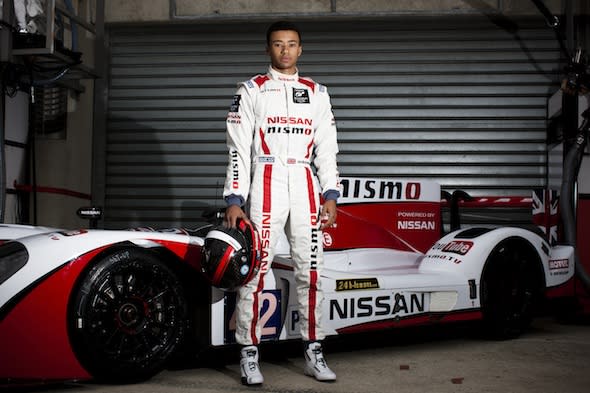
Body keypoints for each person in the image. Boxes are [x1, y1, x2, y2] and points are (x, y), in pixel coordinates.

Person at [222, 20, 340, 385]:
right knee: (256, 270)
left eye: (291, 44)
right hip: (266, 181)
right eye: (278, 44)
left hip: (304, 183)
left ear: (300, 49)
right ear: (268, 49)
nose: (285, 50)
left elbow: (328, 149)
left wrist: (331, 193)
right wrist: (235, 198)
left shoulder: (317, 92)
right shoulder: (251, 90)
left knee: (311, 269)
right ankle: (249, 352)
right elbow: (237, 148)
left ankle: (313, 350)